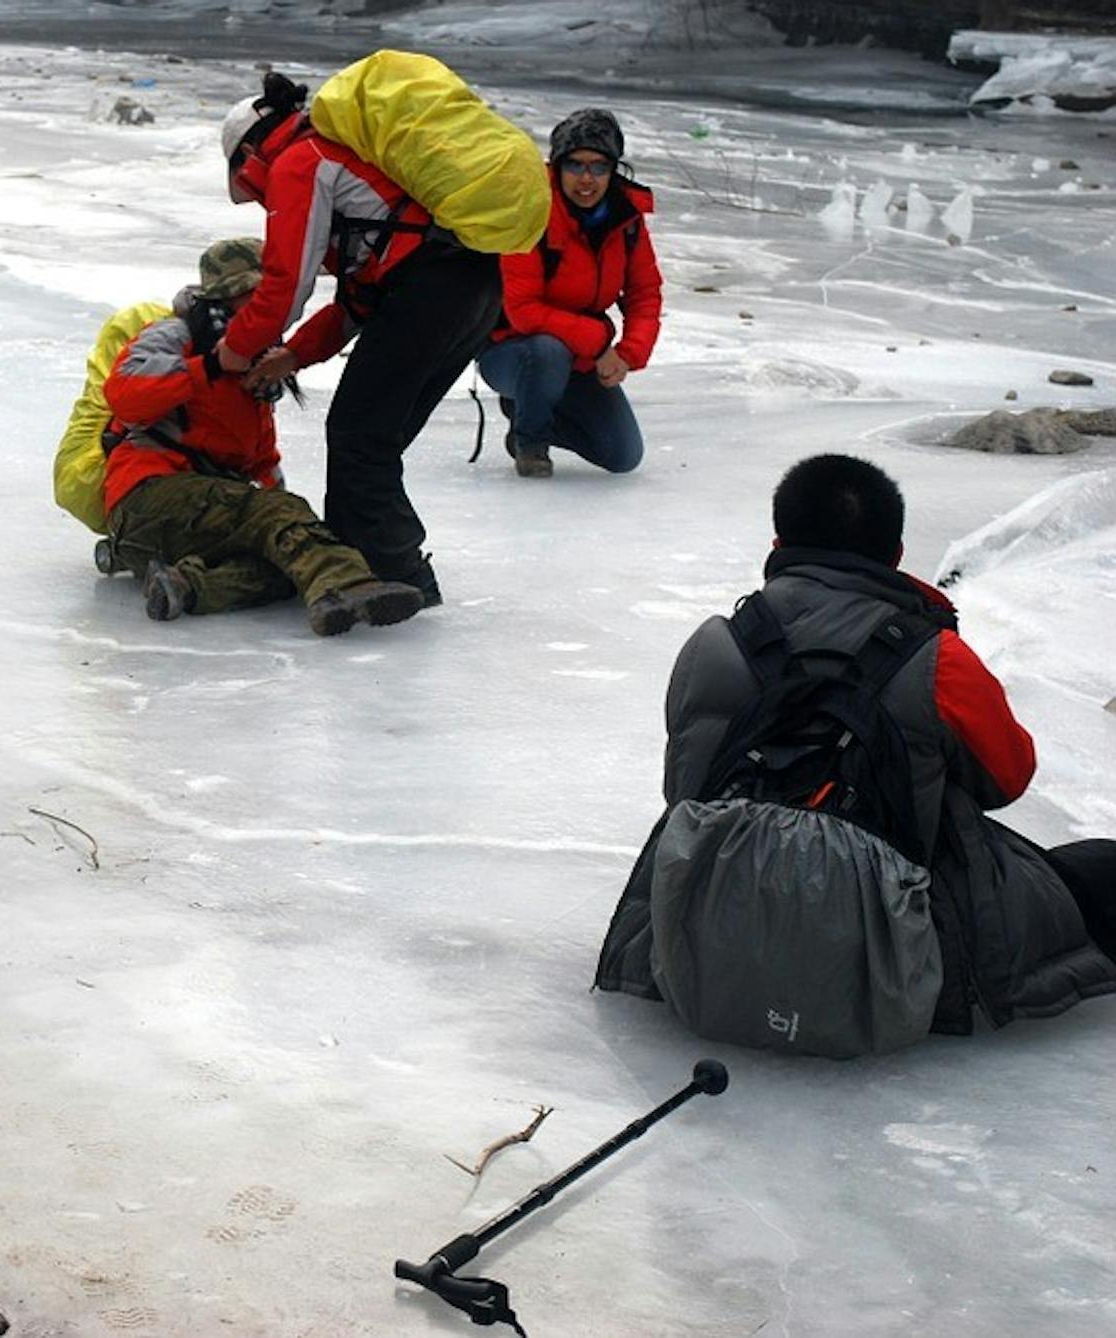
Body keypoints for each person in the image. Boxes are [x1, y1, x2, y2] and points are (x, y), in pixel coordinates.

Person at [595, 455, 1116, 1038]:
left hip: (706, 942)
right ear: (894, 555)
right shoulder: (938, 660)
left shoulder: (714, 646)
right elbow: (1008, 778)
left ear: (778, 541)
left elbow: (685, 794)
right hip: (892, 953)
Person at [217, 74, 506, 605]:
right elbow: (358, 302)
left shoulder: (299, 161)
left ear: (250, 153)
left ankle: (400, 576)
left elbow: (286, 286)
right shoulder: (345, 164)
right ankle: (354, 563)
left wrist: (233, 351)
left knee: (358, 436)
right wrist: (294, 355)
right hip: (474, 286)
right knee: (372, 438)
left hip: (433, 288)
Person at [102, 240, 426, 637]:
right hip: (146, 498)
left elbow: (260, 459)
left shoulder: (256, 365)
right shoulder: (176, 335)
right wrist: (210, 366)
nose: (265, 307)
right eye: (252, 295)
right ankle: (346, 586)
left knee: (289, 560)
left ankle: (184, 587)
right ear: (225, 295)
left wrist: (291, 520)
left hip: (184, 528)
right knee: (281, 520)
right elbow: (124, 394)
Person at [478, 108, 662, 479]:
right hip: (513, 351)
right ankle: (531, 443)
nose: (586, 179)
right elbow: (523, 310)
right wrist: (597, 342)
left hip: (580, 357)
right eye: (575, 165)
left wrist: (628, 354)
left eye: (599, 167)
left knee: (623, 454)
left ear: (614, 170)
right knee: (547, 351)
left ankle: (530, 417)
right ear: (557, 166)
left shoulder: (626, 219)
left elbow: (645, 293)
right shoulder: (531, 210)